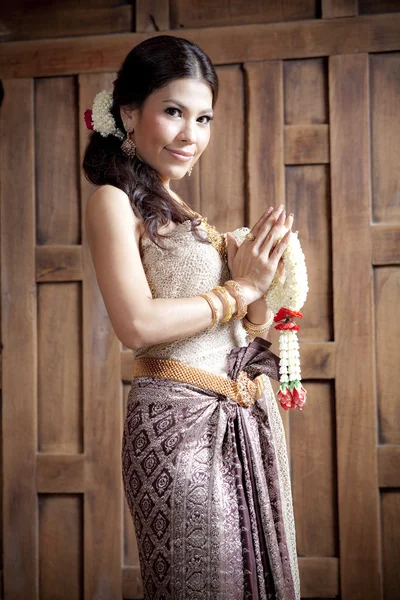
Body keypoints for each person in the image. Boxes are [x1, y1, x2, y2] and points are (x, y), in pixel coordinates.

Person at [82, 35, 300, 600]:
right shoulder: (114, 200)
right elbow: (135, 325)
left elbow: (240, 327)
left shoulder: (181, 209)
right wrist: (241, 286)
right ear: (128, 112)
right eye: (173, 111)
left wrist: (262, 280)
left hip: (237, 418)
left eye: (203, 118)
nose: (190, 135)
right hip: (177, 428)